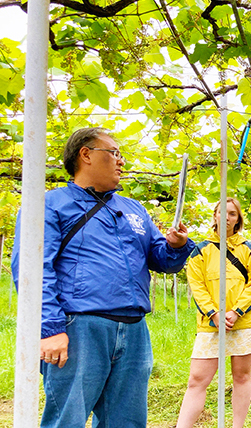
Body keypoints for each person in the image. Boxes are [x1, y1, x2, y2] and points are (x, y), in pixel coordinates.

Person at [10, 127, 195, 427]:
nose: (121, 161)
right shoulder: (50, 205)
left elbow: (161, 260)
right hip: (80, 327)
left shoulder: (133, 209)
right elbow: (33, 269)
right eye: (114, 153)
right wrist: (50, 328)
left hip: (134, 331)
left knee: (127, 421)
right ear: (86, 155)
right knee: (66, 419)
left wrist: (176, 246)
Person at [176, 197, 251, 428]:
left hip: (243, 321)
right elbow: (197, 285)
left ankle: (237, 426)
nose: (226, 217)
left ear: (238, 220)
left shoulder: (248, 249)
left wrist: (236, 311)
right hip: (211, 323)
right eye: (222, 212)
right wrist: (213, 313)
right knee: (197, 379)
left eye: (232, 213)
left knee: (241, 376)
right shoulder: (201, 250)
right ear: (215, 216)